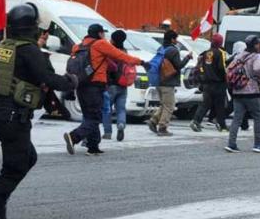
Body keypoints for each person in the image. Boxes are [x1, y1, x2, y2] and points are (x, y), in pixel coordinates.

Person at [0, 3, 77, 219]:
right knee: (17, 165)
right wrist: (71, 82)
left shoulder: (2, 47)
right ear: (31, 27)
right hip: (13, 117)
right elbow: (48, 79)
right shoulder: (29, 50)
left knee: (28, 157)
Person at [64, 24, 143, 155]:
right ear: (100, 34)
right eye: (103, 33)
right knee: (95, 117)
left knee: (89, 115)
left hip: (80, 84)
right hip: (95, 85)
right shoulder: (100, 44)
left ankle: (93, 147)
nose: (105, 36)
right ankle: (74, 136)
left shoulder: (77, 46)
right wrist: (141, 62)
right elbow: (120, 56)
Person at [225, 35, 260, 153]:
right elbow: (257, 69)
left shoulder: (239, 56)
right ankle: (258, 143)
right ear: (256, 45)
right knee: (258, 117)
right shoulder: (256, 56)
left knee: (237, 118)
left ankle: (231, 143)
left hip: (237, 90)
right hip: (251, 91)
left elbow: (229, 69)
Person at [149, 30, 193, 136]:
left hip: (158, 80)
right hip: (168, 82)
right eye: (176, 39)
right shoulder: (173, 50)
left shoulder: (161, 48)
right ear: (172, 39)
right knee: (170, 105)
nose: (177, 41)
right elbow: (179, 66)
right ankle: (162, 127)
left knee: (164, 104)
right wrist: (187, 57)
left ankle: (154, 121)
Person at [190, 33, 229, 132]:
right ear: (220, 42)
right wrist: (226, 79)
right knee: (220, 105)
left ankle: (196, 121)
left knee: (205, 104)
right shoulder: (221, 53)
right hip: (218, 83)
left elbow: (202, 67)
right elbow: (222, 68)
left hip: (206, 82)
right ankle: (222, 125)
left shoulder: (206, 53)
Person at [103, 30, 131, 141]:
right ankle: (121, 125)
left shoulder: (111, 52)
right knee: (121, 109)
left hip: (110, 85)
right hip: (123, 85)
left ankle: (107, 132)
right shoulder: (125, 52)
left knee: (107, 109)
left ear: (114, 39)